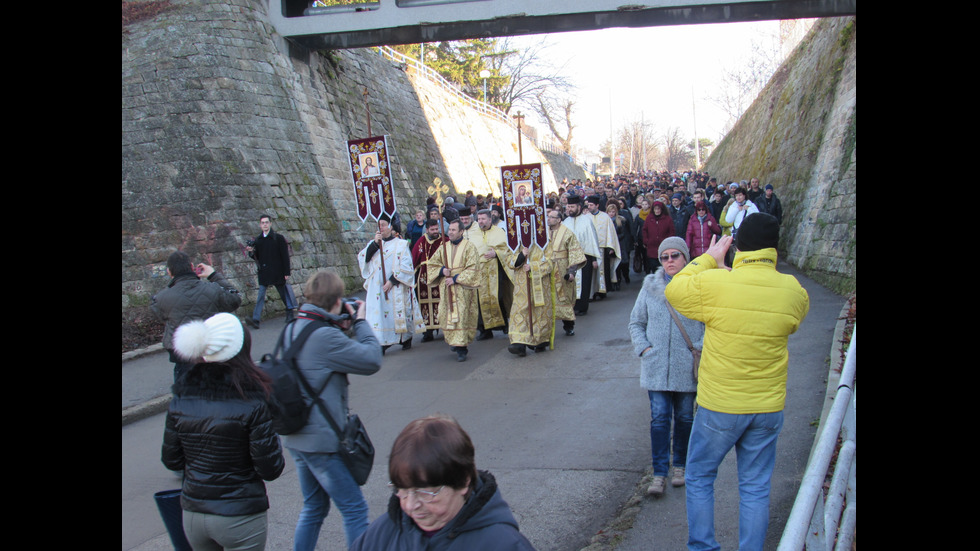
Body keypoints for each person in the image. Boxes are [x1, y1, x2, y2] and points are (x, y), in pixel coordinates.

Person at [664, 214, 810, 551]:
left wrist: (709, 259)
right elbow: (794, 321)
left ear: (738, 245)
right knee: (756, 487)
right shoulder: (793, 291)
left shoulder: (717, 283)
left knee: (700, 477)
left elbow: (676, 290)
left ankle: (703, 546)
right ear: (775, 247)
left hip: (720, 406)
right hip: (767, 406)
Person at [162, 312, 284, 551]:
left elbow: (171, 459)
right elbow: (270, 468)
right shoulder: (253, 404)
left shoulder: (180, 399)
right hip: (240, 516)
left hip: (194, 514)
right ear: (242, 350)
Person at [281, 270, 384, 550]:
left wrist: (341, 323)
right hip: (322, 442)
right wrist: (360, 323)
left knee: (314, 507)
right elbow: (372, 360)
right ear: (337, 300)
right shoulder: (325, 337)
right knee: (354, 509)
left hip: (296, 435)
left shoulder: (292, 328)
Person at [350, 415, 536, 551]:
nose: (410, 505)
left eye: (425, 492)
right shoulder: (381, 534)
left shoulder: (504, 545)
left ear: (463, 481)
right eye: (402, 490)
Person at [628, 237, 703, 498]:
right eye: (664, 257)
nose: (670, 261)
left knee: (685, 418)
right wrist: (644, 348)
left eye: (675, 256)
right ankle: (659, 473)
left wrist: (699, 348)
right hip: (656, 365)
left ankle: (680, 466)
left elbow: (712, 323)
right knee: (660, 419)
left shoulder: (700, 287)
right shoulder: (649, 287)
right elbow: (636, 322)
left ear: (686, 257)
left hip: (686, 366)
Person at [152, 250, 242, 383]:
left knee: (186, 398)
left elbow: (161, 316)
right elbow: (235, 298)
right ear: (192, 267)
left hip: (183, 358)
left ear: (169, 272)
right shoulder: (213, 289)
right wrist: (213, 275)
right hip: (213, 353)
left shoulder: (160, 299)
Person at [357, 213, 426, 354]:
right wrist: (376, 244)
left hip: (396, 285)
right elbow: (364, 259)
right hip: (377, 288)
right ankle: (381, 341)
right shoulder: (374, 243)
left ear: (390, 227)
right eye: (379, 225)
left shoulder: (400, 244)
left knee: (397, 313)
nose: (381, 228)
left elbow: (406, 265)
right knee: (380, 316)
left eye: (383, 225)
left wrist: (392, 281)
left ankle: (404, 339)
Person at [426, 218, 483, 362]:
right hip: (447, 289)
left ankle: (462, 348)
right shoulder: (444, 247)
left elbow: (473, 268)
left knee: (462, 317)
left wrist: (456, 278)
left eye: (453, 230)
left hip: (463, 290)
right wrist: (441, 271)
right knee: (447, 315)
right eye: (449, 230)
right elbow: (432, 264)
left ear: (461, 231)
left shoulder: (469, 247)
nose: (449, 233)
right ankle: (455, 342)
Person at [464, 209, 513, 341]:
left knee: (498, 296)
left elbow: (507, 250)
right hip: (479, 270)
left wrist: (496, 253)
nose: (481, 221)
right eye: (479, 219)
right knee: (481, 300)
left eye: (483, 219)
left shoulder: (499, 232)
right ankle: (485, 330)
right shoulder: (473, 234)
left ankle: (504, 325)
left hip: (495, 269)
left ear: (490, 220)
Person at [246, 214, 297, 329]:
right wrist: (251, 252)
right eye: (263, 223)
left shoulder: (278, 238)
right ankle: (256, 319)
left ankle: (289, 312)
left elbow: (285, 256)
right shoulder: (258, 240)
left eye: (266, 222)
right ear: (260, 225)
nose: (265, 224)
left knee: (284, 294)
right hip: (264, 272)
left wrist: (286, 272)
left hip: (277, 271)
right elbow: (256, 257)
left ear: (270, 224)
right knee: (261, 295)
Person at [544, 208, 586, 337]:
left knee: (564, 298)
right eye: (548, 216)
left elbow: (574, 253)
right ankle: (546, 327)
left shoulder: (567, 233)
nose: (548, 219)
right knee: (547, 299)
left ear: (558, 220)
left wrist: (572, 272)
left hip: (562, 271)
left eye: (551, 217)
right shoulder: (543, 233)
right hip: (546, 269)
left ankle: (568, 326)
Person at [505, 244, 553, 357]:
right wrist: (521, 256)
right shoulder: (515, 240)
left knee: (539, 311)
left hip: (540, 284)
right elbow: (508, 259)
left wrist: (534, 267)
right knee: (519, 310)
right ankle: (519, 343)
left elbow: (550, 262)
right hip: (521, 285)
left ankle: (539, 341)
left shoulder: (545, 240)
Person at [561, 195, 601, 316]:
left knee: (584, 282)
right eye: (568, 207)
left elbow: (592, 241)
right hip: (569, 257)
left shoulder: (587, 220)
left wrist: (594, 259)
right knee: (570, 282)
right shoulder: (566, 222)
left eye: (572, 207)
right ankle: (572, 305)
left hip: (585, 256)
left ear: (579, 207)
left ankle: (582, 307)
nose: (570, 209)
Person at [411, 218, 445, 343]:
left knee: (442, 302)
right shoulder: (420, 242)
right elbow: (414, 260)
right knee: (424, 304)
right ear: (427, 230)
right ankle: (427, 332)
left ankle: (446, 329)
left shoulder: (444, 241)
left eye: (437, 229)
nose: (436, 231)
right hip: (423, 280)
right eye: (433, 229)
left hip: (439, 276)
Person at [586, 195, 621, 300]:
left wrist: (610, 247)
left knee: (602, 270)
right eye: (588, 205)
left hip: (602, 248)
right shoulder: (586, 217)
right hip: (590, 248)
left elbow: (611, 232)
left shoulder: (605, 217)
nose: (589, 207)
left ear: (597, 205)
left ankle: (601, 291)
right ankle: (592, 292)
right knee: (592, 271)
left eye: (591, 205)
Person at [641, 201, 675, 275]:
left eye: (659, 209)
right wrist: (646, 241)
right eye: (655, 209)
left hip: (664, 247)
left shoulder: (667, 219)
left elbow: (671, 231)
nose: (657, 211)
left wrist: (668, 242)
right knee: (654, 267)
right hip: (652, 247)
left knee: (664, 267)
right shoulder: (649, 218)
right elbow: (644, 230)